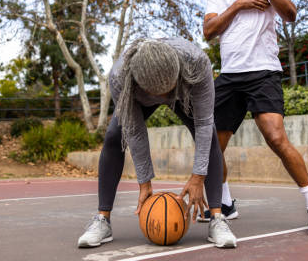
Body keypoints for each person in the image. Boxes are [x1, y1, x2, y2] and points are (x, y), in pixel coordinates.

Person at [200, 0, 308, 236]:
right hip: (230, 77)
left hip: (263, 73)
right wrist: (239, 4)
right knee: (212, 145)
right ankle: (225, 202)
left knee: (275, 137)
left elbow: (290, 14)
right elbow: (208, 32)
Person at [77, 38, 237, 248]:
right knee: (114, 136)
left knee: (210, 134)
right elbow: (134, 131)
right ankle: (102, 220)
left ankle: (217, 218)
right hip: (138, 97)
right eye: (157, 93)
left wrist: (198, 177)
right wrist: (145, 183)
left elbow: (205, 124)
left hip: (183, 91)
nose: (163, 98)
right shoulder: (119, 77)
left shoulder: (197, 63)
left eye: (166, 91)